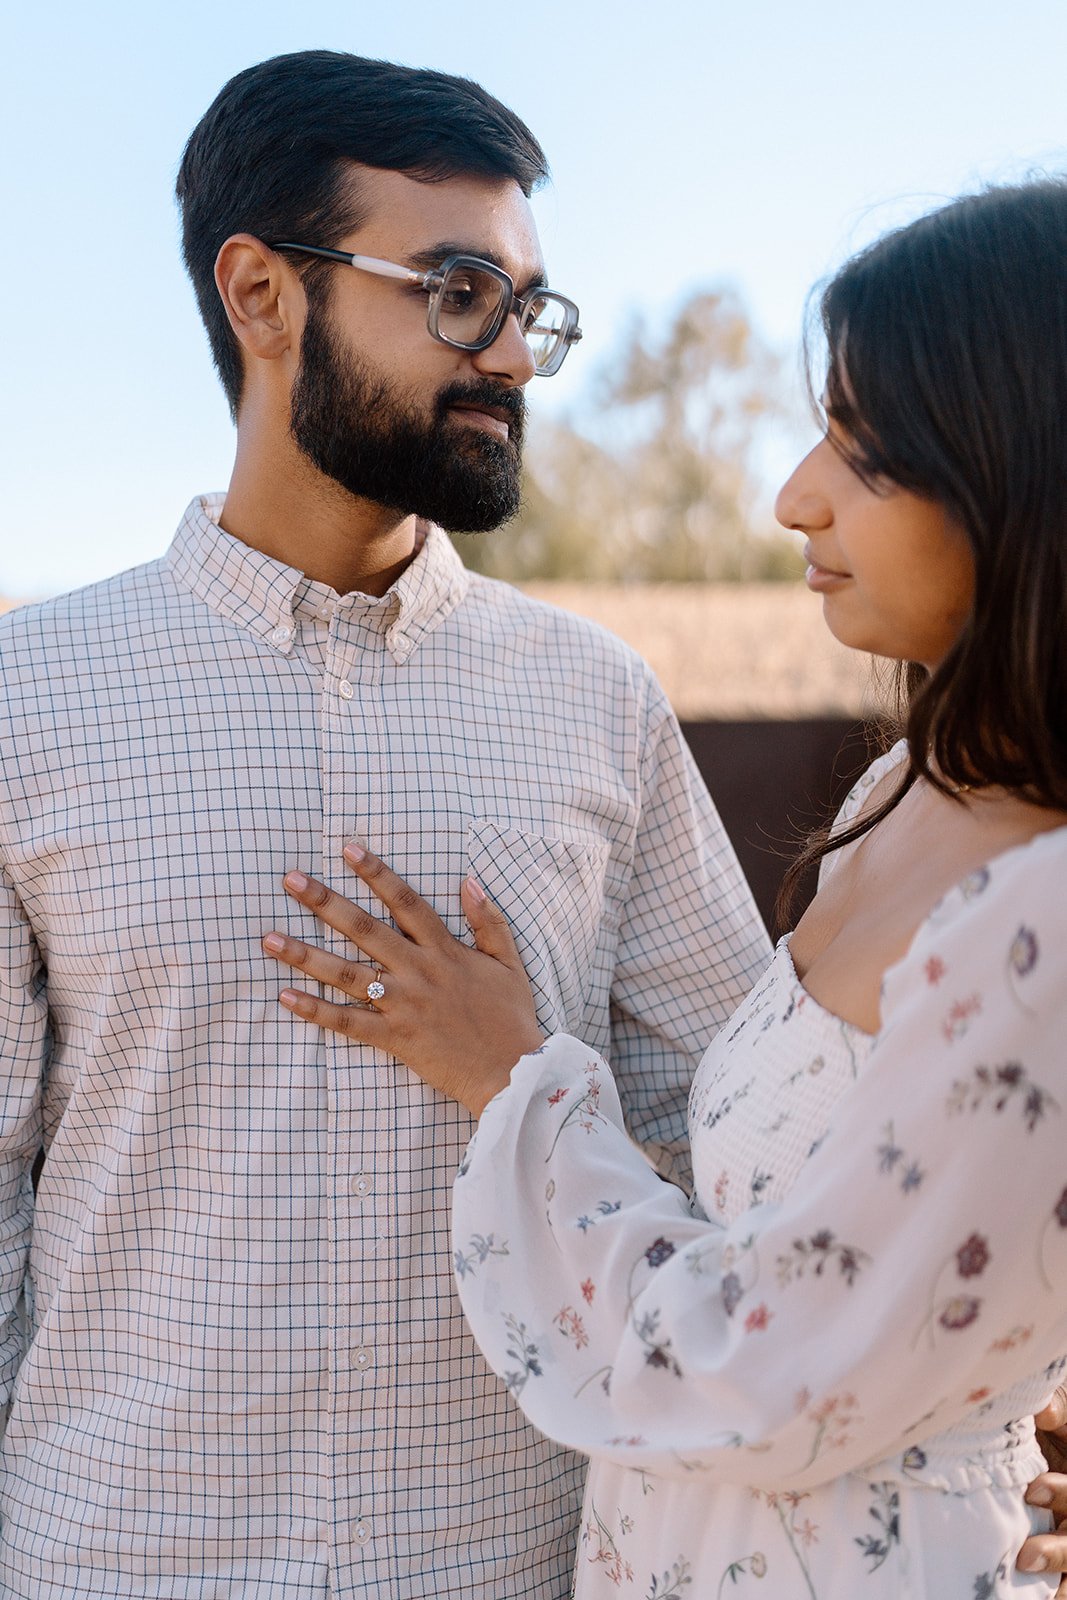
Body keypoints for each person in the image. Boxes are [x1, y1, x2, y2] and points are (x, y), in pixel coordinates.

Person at [0, 49, 773, 1599]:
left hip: (514, 1562)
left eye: (528, 309)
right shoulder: (30, 699)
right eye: (459, 290)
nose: (511, 357)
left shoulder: (600, 706)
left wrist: (525, 1078)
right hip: (119, 1559)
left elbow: (739, 1140)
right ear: (263, 294)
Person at [263, 177, 1067, 1596]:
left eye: (866, 449)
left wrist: (518, 1074)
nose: (791, 494)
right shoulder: (898, 799)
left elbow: (765, 1364)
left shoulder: (1045, 916)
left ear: (1029, 470)